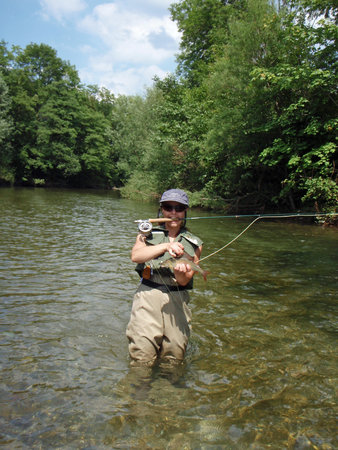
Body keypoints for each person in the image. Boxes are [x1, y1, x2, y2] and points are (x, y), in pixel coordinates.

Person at [126, 189, 203, 366]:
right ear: (162, 210)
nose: (173, 213)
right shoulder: (146, 234)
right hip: (147, 294)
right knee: (142, 356)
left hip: (177, 299)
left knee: (174, 357)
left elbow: (184, 281)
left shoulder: (195, 243)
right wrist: (166, 247)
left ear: (185, 211)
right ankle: (139, 389)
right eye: (168, 207)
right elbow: (136, 256)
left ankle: (170, 392)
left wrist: (180, 270)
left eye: (179, 208)